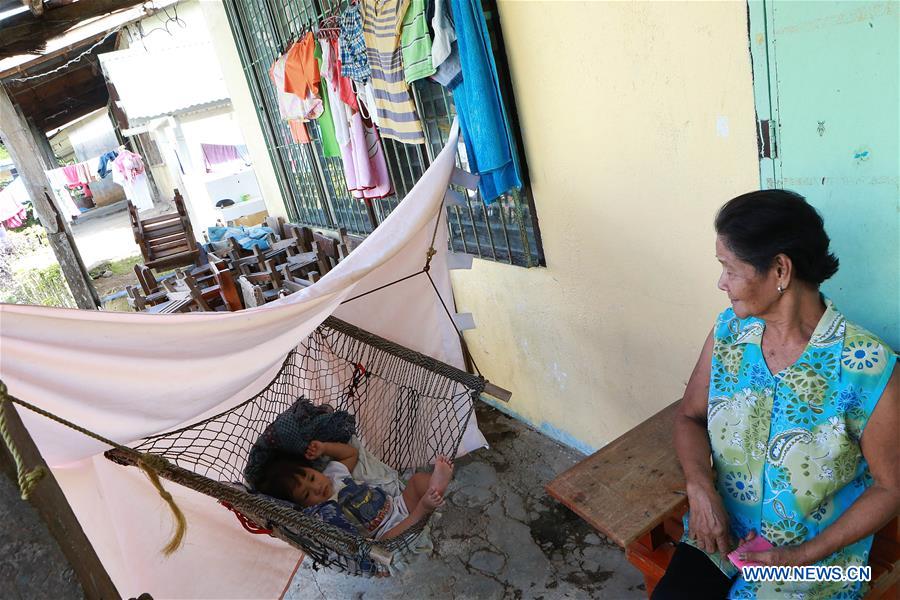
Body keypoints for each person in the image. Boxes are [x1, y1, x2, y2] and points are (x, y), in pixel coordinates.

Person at [654, 190, 899, 599]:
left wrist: (803, 554)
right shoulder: (729, 334)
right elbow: (689, 417)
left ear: (780, 269)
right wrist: (699, 487)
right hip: (722, 535)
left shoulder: (867, 368)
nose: (721, 283)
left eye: (729, 269)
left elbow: (891, 487)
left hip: (812, 559)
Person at [257, 439, 454, 541]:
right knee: (386, 542)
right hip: (384, 532)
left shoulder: (334, 474)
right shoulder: (321, 514)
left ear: (314, 469)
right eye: (307, 494)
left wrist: (325, 448)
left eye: (311, 477)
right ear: (301, 506)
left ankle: (437, 485)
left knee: (418, 481)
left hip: (397, 504)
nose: (317, 487)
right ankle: (423, 509)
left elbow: (351, 454)